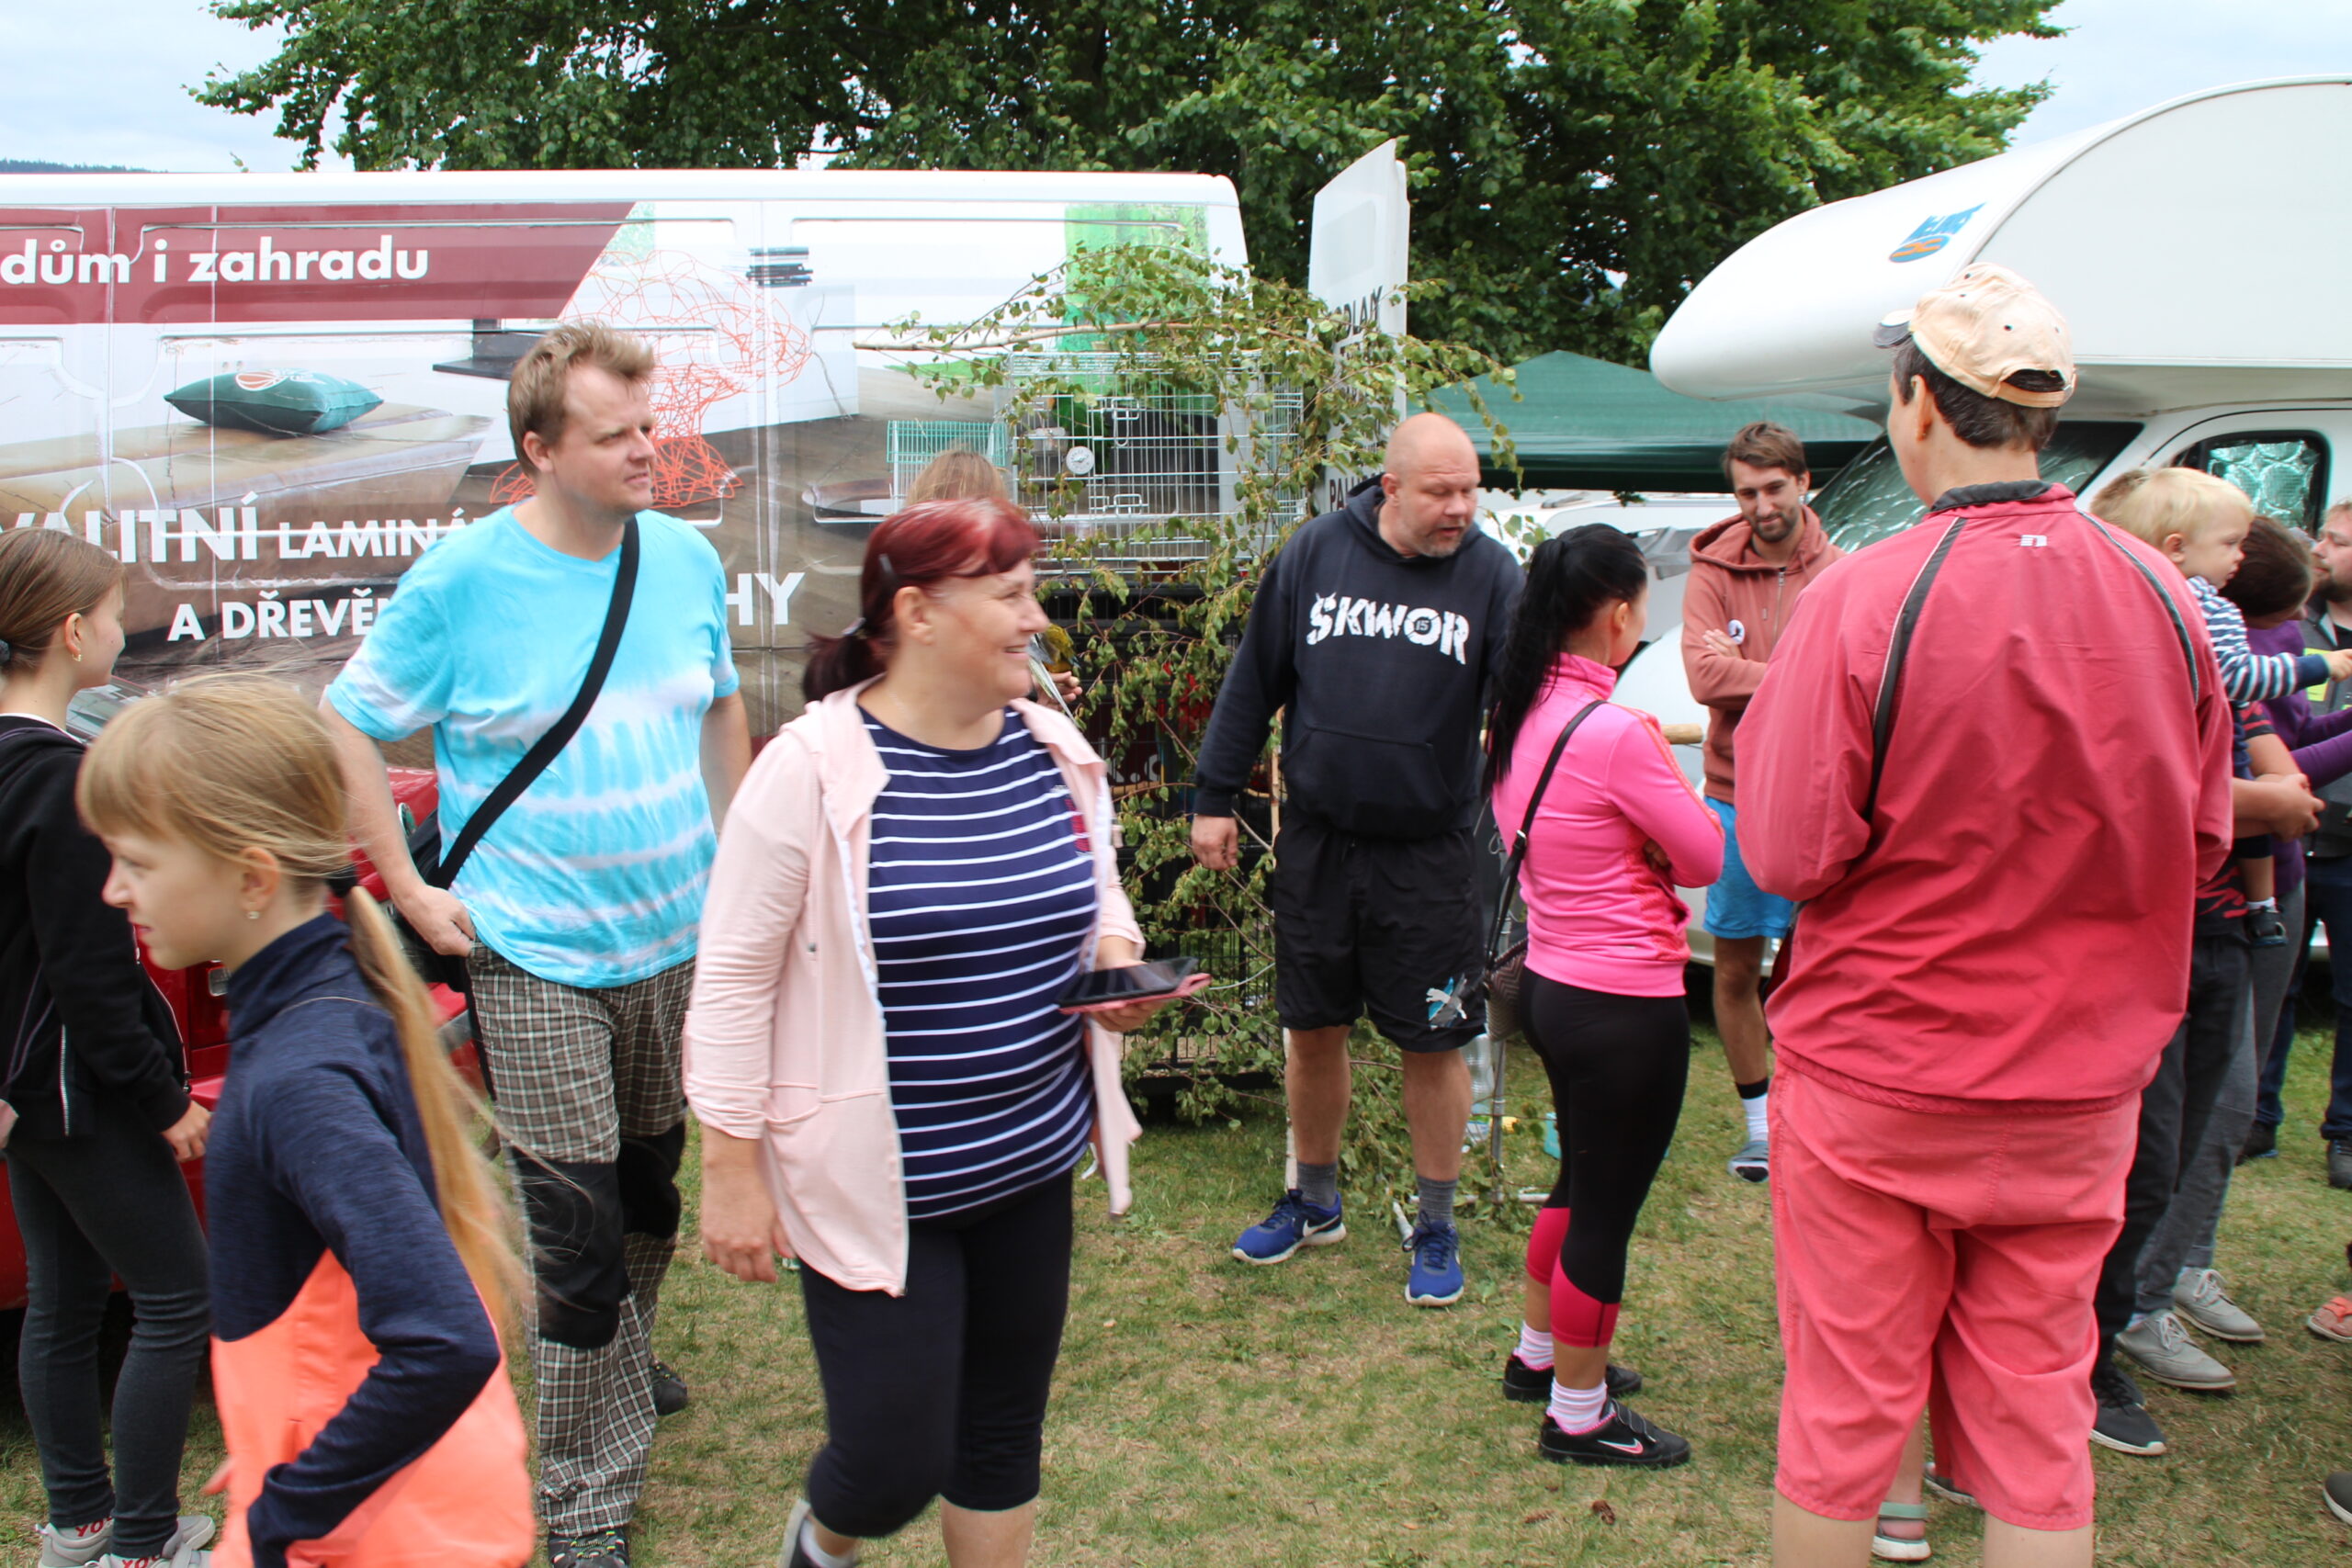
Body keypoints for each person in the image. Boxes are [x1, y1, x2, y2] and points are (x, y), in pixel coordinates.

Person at [1737, 263, 2238, 1567]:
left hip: (1882, 1076)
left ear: (1916, 402)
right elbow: (2199, 839)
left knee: (1846, 1415)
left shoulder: (1863, 595)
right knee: (2037, 1429)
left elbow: (1786, 850)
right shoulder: (2163, 594)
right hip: (2078, 1088)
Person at [320, 321, 752, 1568]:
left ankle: (617, 1357)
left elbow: (721, 701)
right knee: (574, 1228)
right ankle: (583, 1505)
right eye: (615, 436)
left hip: (672, 942)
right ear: (539, 449)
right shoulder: (462, 579)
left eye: (651, 427)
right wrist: (409, 887)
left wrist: (737, 870)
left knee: (648, 1192)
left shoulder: (681, 558)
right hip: (531, 951)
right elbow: (347, 725)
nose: (649, 451)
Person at [686, 497, 1181, 1568]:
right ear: (916, 614)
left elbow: (1097, 891)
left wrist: (1113, 958)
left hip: (1029, 1161)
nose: (1036, 620)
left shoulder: (1050, 746)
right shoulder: (809, 769)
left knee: (1000, 1436)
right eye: (1010, 597)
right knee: (891, 1466)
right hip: (877, 1184)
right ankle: (822, 1544)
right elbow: (729, 981)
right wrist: (729, 1168)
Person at [77, 676, 532, 1568]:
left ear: (252, 876)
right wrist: (276, 1432)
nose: (113, 890)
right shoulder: (325, 1007)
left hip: (381, 1540)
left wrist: (285, 1510)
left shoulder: (299, 1078)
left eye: (138, 861)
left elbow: (443, 1340)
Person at [1190, 412, 1521, 1306]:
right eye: (1441, 493)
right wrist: (1213, 797)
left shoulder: (1493, 576)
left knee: (1434, 1039)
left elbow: (1526, 702)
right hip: (1318, 849)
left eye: (1470, 491)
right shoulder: (1315, 554)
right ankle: (1314, 1199)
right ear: (1392, 486)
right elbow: (1254, 678)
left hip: (1431, 859)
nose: (1460, 509)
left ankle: (1437, 1222)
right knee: (1311, 1027)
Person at [1487, 525, 1722, 1467]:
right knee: (1602, 1211)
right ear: (1621, 614)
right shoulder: (1618, 732)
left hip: (1553, 983)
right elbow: (1703, 854)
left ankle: (1538, 1355)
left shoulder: (1520, 713)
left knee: (1578, 1182)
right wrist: (1658, 823)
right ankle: (1578, 1415)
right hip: (1624, 1002)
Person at [0, 531, 213, 1568]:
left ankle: (78, 1528)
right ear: (71, 631)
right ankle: (142, 1540)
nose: (126, 628)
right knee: (177, 1298)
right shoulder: (60, 779)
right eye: (118, 611)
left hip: (23, 1102)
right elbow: (91, 977)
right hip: (80, 1093)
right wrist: (163, 1098)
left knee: (64, 1300)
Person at [2121, 517, 2352, 1394]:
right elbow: (2220, 783)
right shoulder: (2217, 654)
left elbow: (2275, 758)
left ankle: (2177, 1270)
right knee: (2189, 1117)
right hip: (2196, 910)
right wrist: (2275, 793)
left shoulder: (2245, 662)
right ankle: (2139, 1297)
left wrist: (2279, 791)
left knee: (2219, 1106)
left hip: (2254, 893)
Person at [1679, 421, 1842, 1182]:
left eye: (1774, 487)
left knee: (1826, 968)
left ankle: (1816, 1119)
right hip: (1736, 792)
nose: (1761, 505)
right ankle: (1758, 1128)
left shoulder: (1842, 570)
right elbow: (1704, 679)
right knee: (1735, 965)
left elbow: (1853, 679)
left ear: (1803, 482)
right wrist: (1800, 674)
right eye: (1746, 491)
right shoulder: (1711, 569)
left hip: (1821, 795)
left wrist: (1748, 668)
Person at [2096, 468, 2352, 947]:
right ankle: (2262, 906)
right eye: (2232, 543)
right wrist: (2276, 801)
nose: (2300, 618)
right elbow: (2241, 703)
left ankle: (2262, 905)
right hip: (2202, 898)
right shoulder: (2212, 616)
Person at [2255, 498, 2352, 1186]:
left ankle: (2345, 1133)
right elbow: (2281, 759)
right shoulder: (2281, 628)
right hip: (2288, 834)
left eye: (2337, 541)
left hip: (2343, 840)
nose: (2321, 551)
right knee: (2272, 987)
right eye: (2323, 538)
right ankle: (2255, 1116)